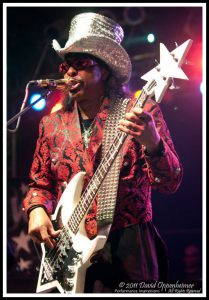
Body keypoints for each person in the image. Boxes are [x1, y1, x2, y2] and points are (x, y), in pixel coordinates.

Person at [22, 12, 183, 293]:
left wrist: (152, 142)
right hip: (69, 252)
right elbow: (41, 183)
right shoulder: (51, 124)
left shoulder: (141, 114)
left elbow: (170, 183)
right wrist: (36, 209)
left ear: (104, 70)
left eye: (80, 65)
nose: (70, 72)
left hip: (129, 247)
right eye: (66, 67)